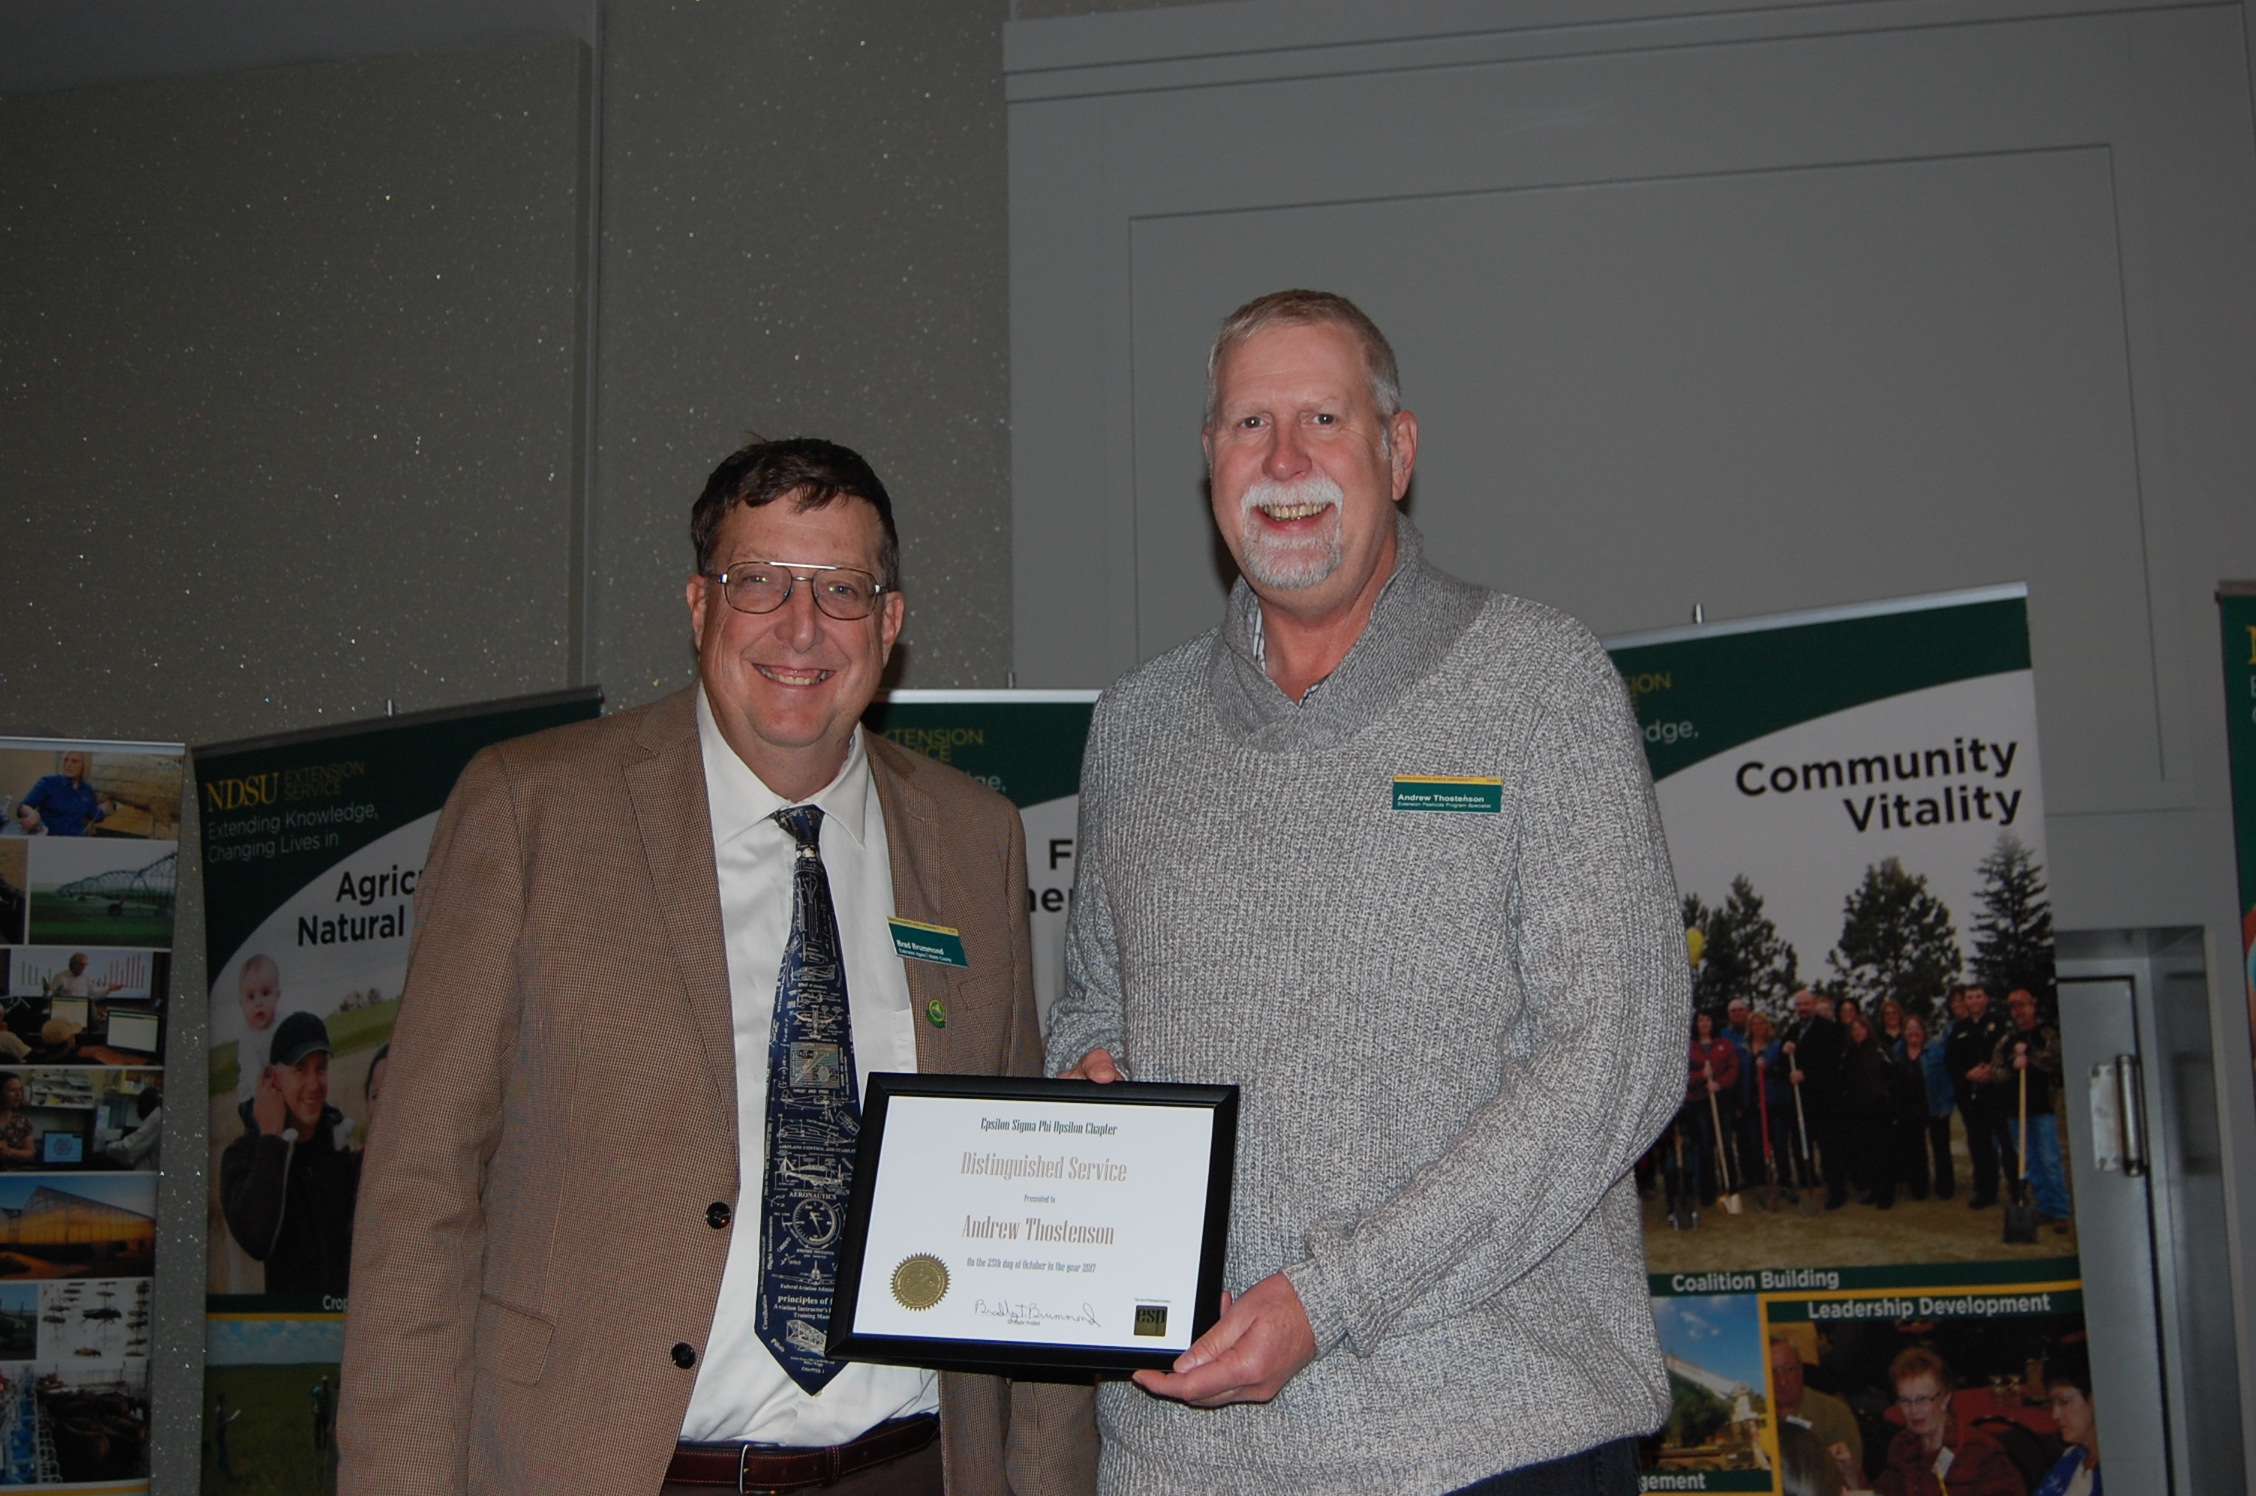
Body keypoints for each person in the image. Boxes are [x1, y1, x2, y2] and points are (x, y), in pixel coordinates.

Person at [338, 438, 1095, 1496]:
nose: (800, 626)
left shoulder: (975, 840)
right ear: (700, 606)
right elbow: (419, 1196)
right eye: (758, 583)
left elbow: (1017, 1193)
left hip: (909, 1466)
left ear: (889, 623)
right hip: (615, 1465)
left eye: (841, 588)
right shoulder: (532, 809)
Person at [1048, 290, 1687, 1493]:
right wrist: (1091, 1072)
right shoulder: (1134, 728)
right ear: (1208, 463)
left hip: (1487, 1445)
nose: (1283, 461)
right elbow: (1092, 998)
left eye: (1323, 418)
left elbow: (1617, 1054)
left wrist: (1330, 1295)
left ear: (1396, 451)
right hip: (1183, 1461)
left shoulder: (1540, 684)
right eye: (1248, 425)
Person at [220, 1011, 361, 1297]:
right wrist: (271, 1137)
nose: (314, 1084)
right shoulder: (242, 1157)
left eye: (320, 1068)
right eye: (300, 1069)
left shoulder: (336, 1147)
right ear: (274, 1078)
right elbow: (257, 1239)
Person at [1870, 1348, 2025, 1496]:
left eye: (1922, 1400)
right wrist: (1852, 1475)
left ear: (1945, 1398)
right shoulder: (1903, 1447)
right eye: (1905, 1401)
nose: (1914, 1410)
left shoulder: (1979, 1451)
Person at [1997, 990, 2069, 1228]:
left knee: (2050, 1160)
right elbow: (1996, 1071)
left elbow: (2057, 1061)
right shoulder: (2007, 1040)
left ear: (2032, 1006)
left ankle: (2060, 1211)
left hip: (2042, 1109)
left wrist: (2030, 1057)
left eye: (2023, 1005)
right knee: (2029, 1162)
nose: (2019, 1011)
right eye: (2014, 1007)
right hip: (2014, 1110)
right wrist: (2011, 1062)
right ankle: (2044, 1207)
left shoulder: (2045, 1034)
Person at [1946, 987, 2018, 1209]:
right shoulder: (1958, 1029)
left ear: (1986, 998)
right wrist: (1967, 1073)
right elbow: (1951, 1061)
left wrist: (1993, 1072)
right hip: (1972, 1097)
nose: (1974, 1001)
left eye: (1978, 996)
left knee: (2008, 1145)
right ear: (1964, 1002)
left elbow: (2011, 1054)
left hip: (1999, 1095)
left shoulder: (2001, 1024)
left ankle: (2017, 1191)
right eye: (1970, 997)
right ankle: (1986, 1191)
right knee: (1980, 1146)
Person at [1781, 989, 1850, 1209]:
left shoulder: (1828, 1029)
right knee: (1801, 1145)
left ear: (1813, 1005)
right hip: (1800, 1101)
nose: (1802, 1008)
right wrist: (1785, 1054)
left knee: (1829, 1148)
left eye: (1806, 1004)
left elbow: (1830, 1061)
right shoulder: (1793, 1030)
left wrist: (1807, 1074)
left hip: (1824, 1099)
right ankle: (1808, 1186)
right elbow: (1785, 1063)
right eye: (1798, 1005)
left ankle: (1836, 1192)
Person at [1771, 1336, 1863, 1485]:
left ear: (1801, 1369)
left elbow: (1854, 1479)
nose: (1782, 1381)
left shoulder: (1835, 1413)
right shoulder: (1753, 1416)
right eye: (1772, 1372)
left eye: (1789, 1370)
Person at [1839, 1014, 1899, 1209]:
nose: (1858, 1033)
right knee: (1867, 1153)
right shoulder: (1849, 1054)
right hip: (1857, 1110)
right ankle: (1873, 1190)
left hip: (1879, 1108)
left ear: (1868, 1029)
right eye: (1854, 1029)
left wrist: (1883, 1093)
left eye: (1861, 1028)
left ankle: (1886, 1194)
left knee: (1883, 1152)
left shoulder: (1880, 1049)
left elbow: (1894, 1073)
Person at [1894, 1016, 1951, 1201]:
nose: (1913, 1032)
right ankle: (1919, 1187)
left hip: (1934, 1106)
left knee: (1940, 1149)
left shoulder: (1935, 1051)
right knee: (1915, 1151)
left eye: (1917, 1028)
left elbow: (1946, 1079)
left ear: (1924, 1031)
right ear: (1904, 1032)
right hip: (1909, 1109)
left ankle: (1945, 1187)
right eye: (1909, 1029)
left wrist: (1945, 1105)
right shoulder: (1897, 1051)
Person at [2032, 1343, 2100, 1496]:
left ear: (2094, 1399)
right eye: (2052, 1404)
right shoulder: (2072, 1459)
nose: (2054, 1415)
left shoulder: (2118, 1472)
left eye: (2064, 1402)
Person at [232, 955, 281, 1124]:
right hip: (252, 1098)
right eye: (251, 997)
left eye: (265, 993)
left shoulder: (284, 1024)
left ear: (277, 996)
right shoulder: (247, 1040)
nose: (259, 1002)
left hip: (280, 1088)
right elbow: (256, 1082)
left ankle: (335, 1126)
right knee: (260, 1121)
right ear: (241, 1004)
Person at [17, 751, 112, 837]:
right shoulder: (49, 782)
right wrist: (33, 814)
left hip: (78, 841)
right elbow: (23, 806)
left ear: (84, 765)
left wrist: (106, 805)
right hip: (51, 839)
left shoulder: (87, 789)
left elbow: (94, 815)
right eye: (66, 760)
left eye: (74, 761)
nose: (68, 765)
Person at [101, 1081, 163, 1168]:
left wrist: (107, 1149)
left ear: (146, 1104)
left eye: (139, 1104)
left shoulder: (156, 1118)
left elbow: (129, 1147)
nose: (137, 1109)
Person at [44, 954, 118, 1000]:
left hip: (81, 1010)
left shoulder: (86, 978)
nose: (83, 967)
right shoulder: (60, 977)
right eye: (80, 964)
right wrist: (47, 991)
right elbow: (49, 996)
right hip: (64, 1009)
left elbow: (93, 995)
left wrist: (108, 990)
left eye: (85, 965)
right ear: (73, 964)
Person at [0, 1074, 35, 1169]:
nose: (18, 1094)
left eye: (20, 1090)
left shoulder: (23, 1121)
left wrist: (9, 1151)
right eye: (12, 1090)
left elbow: (30, 1153)